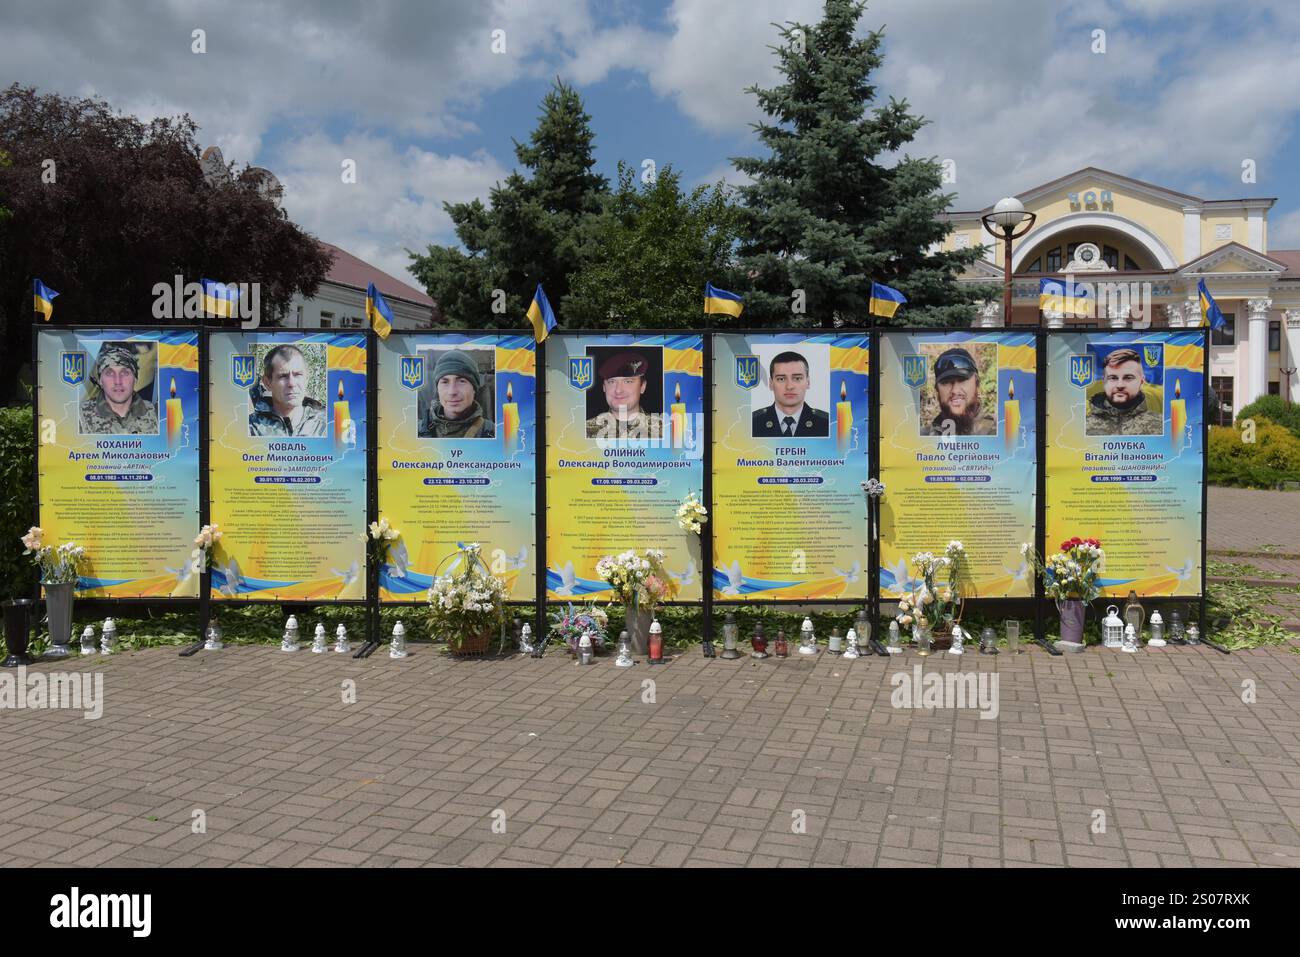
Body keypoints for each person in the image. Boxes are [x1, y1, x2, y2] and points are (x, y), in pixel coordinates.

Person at [248, 344, 328, 437]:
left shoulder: (326, 426)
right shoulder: (250, 428)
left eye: (298, 374)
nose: (292, 383)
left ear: (307, 379)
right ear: (267, 383)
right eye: (283, 376)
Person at [79, 344, 159, 434]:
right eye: (110, 373)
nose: (118, 381)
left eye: (125, 373)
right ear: (100, 380)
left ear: (135, 379)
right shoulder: (82, 418)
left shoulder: (156, 416)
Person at [419, 349, 496, 439]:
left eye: (461, 381)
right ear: (438, 389)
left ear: (474, 389)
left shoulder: (493, 433)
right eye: (445, 382)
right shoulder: (416, 431)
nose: (452, 392)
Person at [1086, 347, 1163, 435]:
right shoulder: (1083, 426)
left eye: (1128, 378)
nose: (1120, 385)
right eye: (1113, 378)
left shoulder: (1160, 426)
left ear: (1141, 382)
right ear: (1104, 381)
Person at [586, 351, 663, 439]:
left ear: (642, 387)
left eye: (628, 381)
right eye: (612, 382)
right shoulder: (584, 430)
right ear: (604, 387)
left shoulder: (664, 430)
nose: (618, 390)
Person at [920, 347, 997, 436]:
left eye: (962, 380)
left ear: (977, 383)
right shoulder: (921, 437)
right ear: (937, 389)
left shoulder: (1000, 432)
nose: (955, 390)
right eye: (946, 382)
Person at [752, 351, 829, 437]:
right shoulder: (751, 423)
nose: (789, 386)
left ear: (808, 382)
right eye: (781, 379)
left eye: (797, 378)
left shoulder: (827, 423)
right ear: (771, 384)